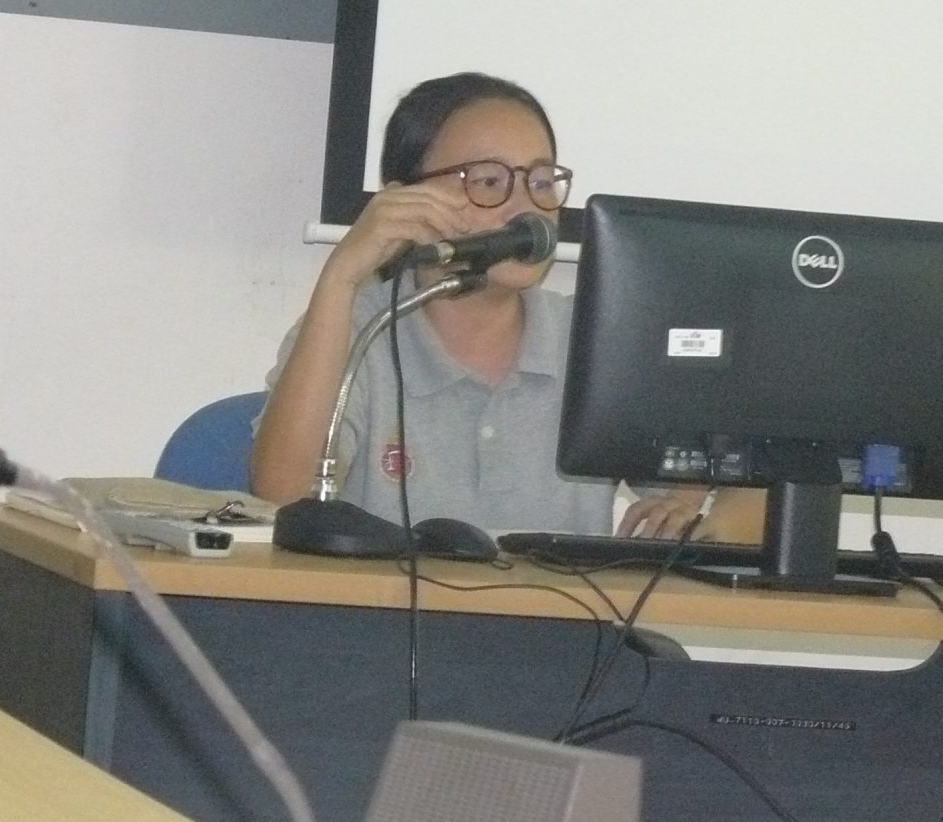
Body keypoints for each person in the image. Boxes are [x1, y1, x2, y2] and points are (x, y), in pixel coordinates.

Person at [250, 71, 761, 541]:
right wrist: (341, 277)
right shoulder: (354, 329)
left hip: (561, 614)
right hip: (382, 614)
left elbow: (763, 478)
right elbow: (281, 496)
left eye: (541, 182)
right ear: (404, 201)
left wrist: (699, 513)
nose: (526, 210)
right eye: (489, 181)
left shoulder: (593, 339)